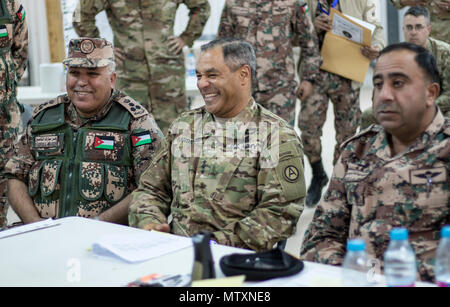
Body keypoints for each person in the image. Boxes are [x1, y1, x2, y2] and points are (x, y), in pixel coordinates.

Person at [129, 38, 306, 252]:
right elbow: (151, 189)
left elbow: (280, 214)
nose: (202, 84)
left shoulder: (276, 136)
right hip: (172, 253)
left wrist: (213, 244)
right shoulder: (185, 125)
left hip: (233, 261)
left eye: (212, 75)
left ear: (243, 75)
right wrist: (150, 223)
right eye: (199, 76)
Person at [300, 42, 449, 282]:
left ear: (430, 93)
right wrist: (356, 275)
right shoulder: (357, 150)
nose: (384, 95)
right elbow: (320, 237)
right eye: (378, 84)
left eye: (398, 83)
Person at [5, 38, 164, 225]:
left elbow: (150, 187)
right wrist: (35, 223)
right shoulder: (43, 118)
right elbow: (15, 176)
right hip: (43, 234)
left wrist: (92, 226)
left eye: (92, 73)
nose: (81, 82)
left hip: (107, 238)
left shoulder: (136, 122)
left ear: (112, 79)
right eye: (74, 73)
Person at [72, 0, 210, 134]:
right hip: (128, 72)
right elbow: (81, 16)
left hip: (167, 70)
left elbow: (201, 7)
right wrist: (101, 49)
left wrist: (186, 37)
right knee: (129, 126)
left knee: (175, 128)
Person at [298, 0, 385, 207]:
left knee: (346, 135)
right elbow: (291, 33)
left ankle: (337, 186)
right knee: (308, 130)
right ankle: (318, 174)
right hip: (315, 73)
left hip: (347, 72)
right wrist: (312, 23)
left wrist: (377, 48)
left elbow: (377, 28)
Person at [218, 0, 322, 126]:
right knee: (242, 143)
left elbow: (309, 42)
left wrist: (308, 79)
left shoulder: (293, 2)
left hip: (280, 91)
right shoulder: (233, 3)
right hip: (241, 91)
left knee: (280, 142)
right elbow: (221, 46)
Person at [360, 6, 450, 129]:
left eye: (418, 27)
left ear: (428, 29)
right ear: (403, 29)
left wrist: (423, 107)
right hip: (402, 106)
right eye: (409, 27)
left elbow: (449, 94)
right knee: (368, 116)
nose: (413, 32)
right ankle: (374, 147)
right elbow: (379, 91)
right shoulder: (394, 56)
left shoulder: (445, 52)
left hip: (435, 106)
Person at [0, 0, 27, 230]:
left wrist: (6, 88)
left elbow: (20, 50)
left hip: (5, 118)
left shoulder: (10, 5)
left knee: (5, 180)